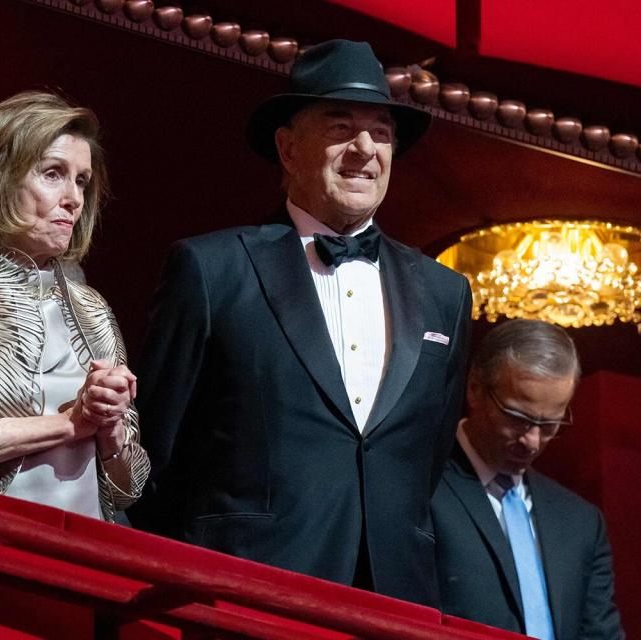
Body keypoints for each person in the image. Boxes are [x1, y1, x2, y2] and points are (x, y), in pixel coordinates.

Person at [127, 39, 473, 606]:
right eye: (341, 126)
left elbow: (426, 461)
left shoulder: (446, 293)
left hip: (395, 600)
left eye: (381, 131)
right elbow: (152, 454)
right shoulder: (213, 269)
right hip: (243, 594)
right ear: (288, 149)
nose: (365, 148)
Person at [0, 91, 150, 521]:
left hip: (88, 546)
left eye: (81, 181)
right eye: (53, 174)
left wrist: (111, 427)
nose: (74, 199)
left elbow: (129, 488)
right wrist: (70, 424)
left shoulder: (91, 307)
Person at [431, 319, 624, 639]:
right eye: (517, 418)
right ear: (475, 389)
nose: (532, 441)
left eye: (550, 424)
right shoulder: (422, 489)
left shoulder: (582, 523)